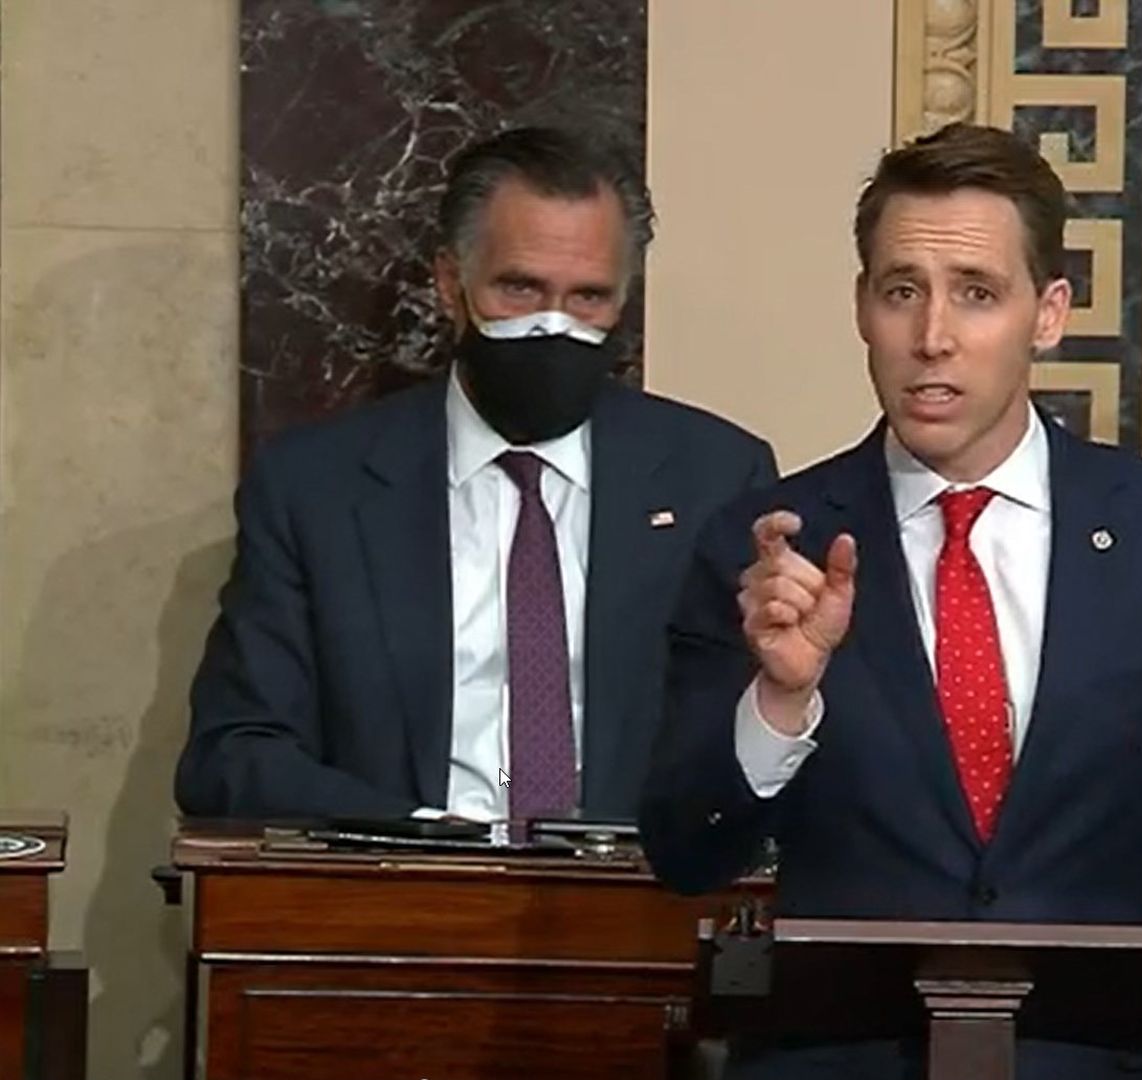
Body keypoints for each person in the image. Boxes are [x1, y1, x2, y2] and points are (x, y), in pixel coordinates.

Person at [641, 123, 1142, 1079]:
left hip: (1099, 1060)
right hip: (842, 1061)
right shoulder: (769, 546)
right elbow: (684, 851)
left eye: (977, 295)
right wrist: (780, 701)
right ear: (862, 307)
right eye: (901, 291)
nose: (932, 339)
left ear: (1048, 314)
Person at [176, 126, 776, 822]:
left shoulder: (717, 477)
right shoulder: (315, 488)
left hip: (635, 907)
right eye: (520, 289)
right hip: (395, 902)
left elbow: (751, 745)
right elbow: (233, 755)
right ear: (450, 284)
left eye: (588, 297)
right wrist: (422, 840)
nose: (553, 328)